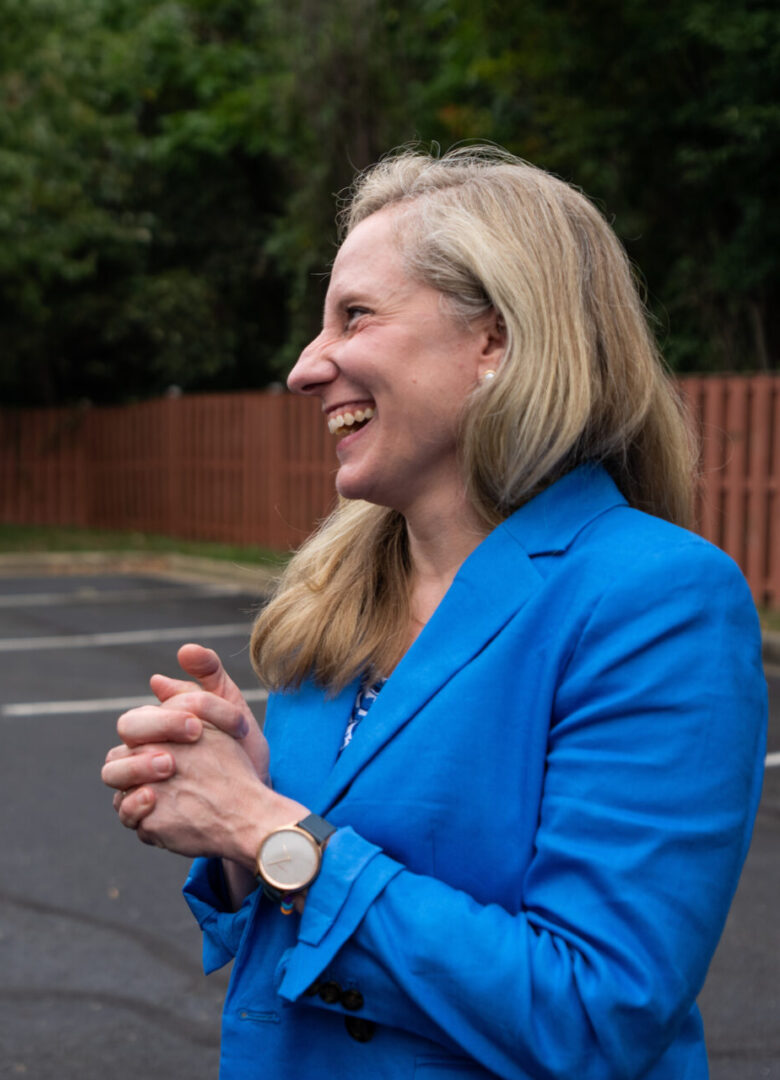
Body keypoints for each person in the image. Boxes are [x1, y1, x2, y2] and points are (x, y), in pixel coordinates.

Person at [100, 145, 767, 1079]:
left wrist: (270, 830)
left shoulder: (653, 598)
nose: (304, 367)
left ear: (494, 340)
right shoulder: (334, 596)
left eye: (355, 317)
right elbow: (295, 919)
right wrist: (237, 822)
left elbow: (594, 1014)